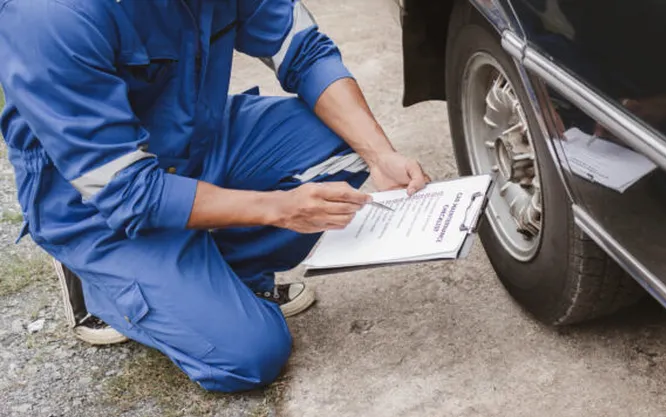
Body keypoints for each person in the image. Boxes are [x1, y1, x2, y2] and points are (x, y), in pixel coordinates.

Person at [0, 0, 428, 392]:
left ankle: (220, 270)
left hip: (196, 141)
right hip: (97, 203)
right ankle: (99, 285)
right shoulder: (52, 15)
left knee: (347, 146)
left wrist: (381, 153)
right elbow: (127, 191)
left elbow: (304, 50)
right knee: (250, 355)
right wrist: (279, 209)